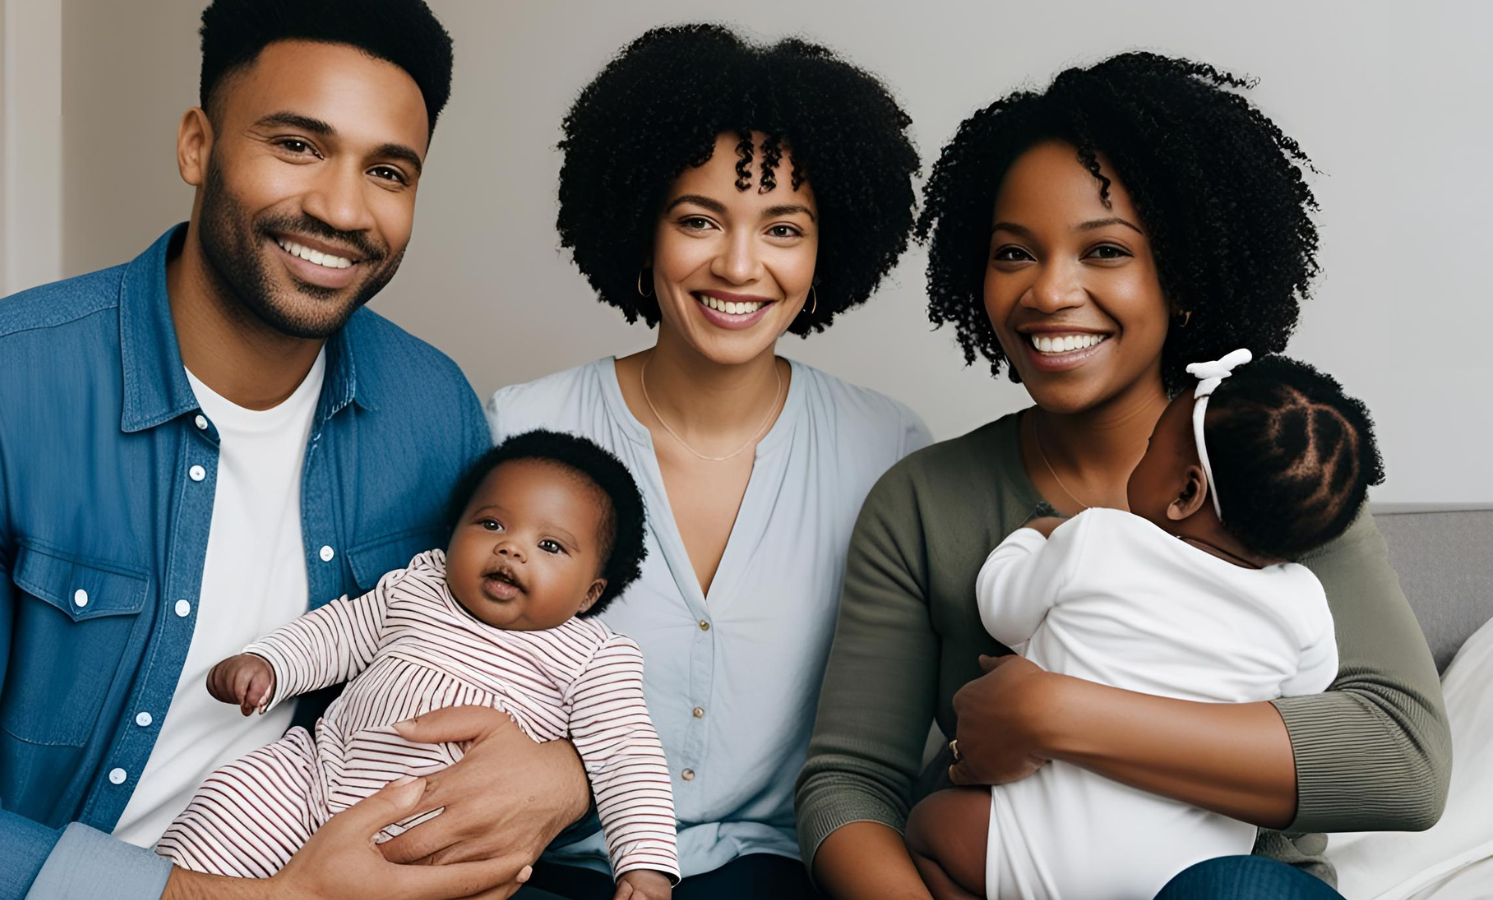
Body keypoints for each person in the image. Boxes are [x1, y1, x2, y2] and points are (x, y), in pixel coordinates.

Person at [0, 2, 587, 899]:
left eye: (387, 170)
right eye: (298, 145)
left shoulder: (433, 408)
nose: (342, 210)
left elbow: (513, 645)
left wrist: (561, 775)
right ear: (196, 145)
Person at [797, 52, 1449, 900]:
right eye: (1013, 253)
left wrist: (1053, 715)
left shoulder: (1277, 483)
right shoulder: (923, 502)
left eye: (1105, 250)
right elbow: (849, 785)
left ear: (1180, 280)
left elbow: (1401, 763)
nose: (1050, 291)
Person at [486, 24, 929, 900]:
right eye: (698, 220)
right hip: (555, 869)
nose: (738, 265)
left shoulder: (889, 450)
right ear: (641, 229)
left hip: (784, 876)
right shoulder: (523, 425)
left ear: (824, 249)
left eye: (783, 228)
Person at [905, 352, 1388, 900]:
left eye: (1154, 443)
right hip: (1183, 874)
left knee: (925, 830)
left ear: (1187, 493)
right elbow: (1303, 706)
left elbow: (1002, 609)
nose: (1146, 449)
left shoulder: (1098, 537)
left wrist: (1034, 536)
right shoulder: (1304, 603)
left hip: (1039, 853)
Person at [157, 431, 679, 900]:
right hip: (314, 781)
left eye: (549, 545)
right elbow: (339, 632)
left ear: (590, 593)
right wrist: (270, 664)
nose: (511, 547)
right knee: (235, 795)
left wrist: (646, 865)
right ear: (454, 533)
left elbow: (627, 756)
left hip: (435, 841)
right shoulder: (420, 586)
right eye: (492, 522)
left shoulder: (592, 656)